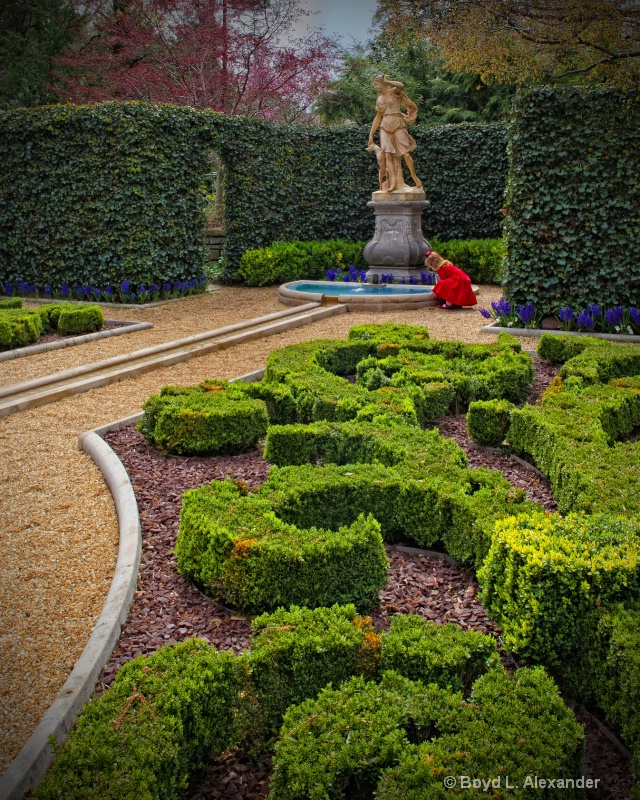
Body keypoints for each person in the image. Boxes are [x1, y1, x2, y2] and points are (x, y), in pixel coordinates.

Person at [368, 74, 423, 193]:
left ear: (382, 83)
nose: (375, 87)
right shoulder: (379, 100)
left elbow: (401, 85)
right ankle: (393, 182)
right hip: (385, 126)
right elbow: (378, 117)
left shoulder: (393, 92)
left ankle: (414, 177)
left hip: (398, 124)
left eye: (376, 84)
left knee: (406, 154)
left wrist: (388, 81)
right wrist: (371, 134)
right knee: (387, 155)